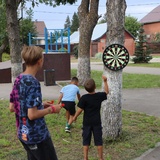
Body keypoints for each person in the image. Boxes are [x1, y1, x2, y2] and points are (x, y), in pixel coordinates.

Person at [9, 45, 63, 160]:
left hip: (23, 135)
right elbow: (32, 115)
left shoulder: (19, 79)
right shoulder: (33, 83)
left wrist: (40, 105)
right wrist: (52, 109)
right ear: (39, 61)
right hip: (37, 136)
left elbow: (13, 107)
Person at [72, 76, 109, 160]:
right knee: (98, 141)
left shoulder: (84, 98)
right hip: (97, 122)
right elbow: (107, 92)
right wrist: (105, 81)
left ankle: (85, 158)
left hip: (87, 123)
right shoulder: (99, 96)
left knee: (86, 141)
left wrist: (74, 117)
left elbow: (80, 110)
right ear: (95, 87)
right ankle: (100, 158)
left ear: (85, 89)